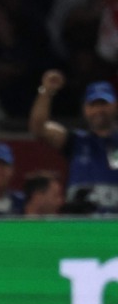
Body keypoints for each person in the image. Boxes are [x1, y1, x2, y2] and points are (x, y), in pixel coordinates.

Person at [29, 73, 118, 213]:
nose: (99, 110)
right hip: (79, 226)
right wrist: (46, 90)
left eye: (103, 104)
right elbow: (38, 128)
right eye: (93, 104)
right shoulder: (76, 141)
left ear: (115, 106)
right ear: (85, 109)